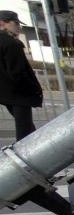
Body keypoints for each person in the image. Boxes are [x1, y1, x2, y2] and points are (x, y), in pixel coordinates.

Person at [0, 10, 43, 141]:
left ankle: (37, 149)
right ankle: (25, 157)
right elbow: (18, 73)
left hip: (5, 94)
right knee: (24, 132)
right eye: (16, 23)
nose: (19, 27)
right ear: (3, 23)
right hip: (19, 94)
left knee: (28, 129)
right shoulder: (11, 43)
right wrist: (34, 89)